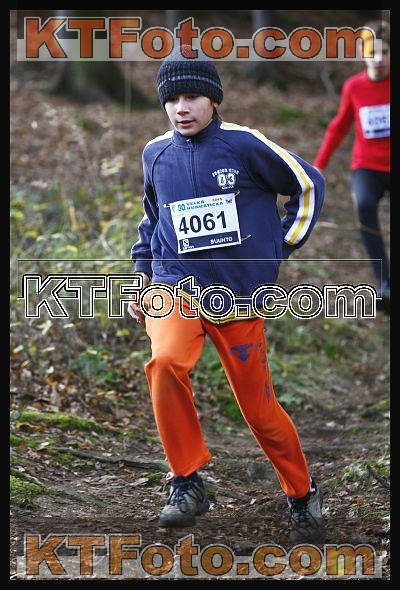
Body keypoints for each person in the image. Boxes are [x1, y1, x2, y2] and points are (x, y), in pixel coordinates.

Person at [128, 44, 326, 543]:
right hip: (174, 286)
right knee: (165, 362)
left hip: (238, 296)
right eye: (172, 99)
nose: (181, 108)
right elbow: (152, 220)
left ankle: (301, 493)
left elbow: (308, 184)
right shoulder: (156, 153)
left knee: (260, 412)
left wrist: (282, 245)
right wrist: (142, 276)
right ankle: (186, 481)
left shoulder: (244, 144)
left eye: (192, 97)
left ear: (214, 100)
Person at [313, 20, 390, 314]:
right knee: (365, 205)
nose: (378, 59)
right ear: (362, 54)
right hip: (367, 165)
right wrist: (319, 165)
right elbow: (338, 127)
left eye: (385, 52)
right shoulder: (354, 87)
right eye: (372, 53)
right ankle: (385, 283)